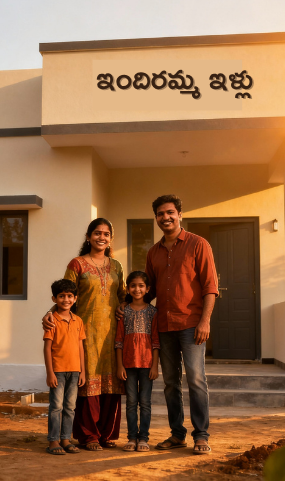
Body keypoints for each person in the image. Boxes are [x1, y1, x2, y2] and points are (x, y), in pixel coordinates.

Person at [117, 195, 218, 455]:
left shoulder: (199, 244)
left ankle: (201, 435)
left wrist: (205, 321)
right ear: (157, 218)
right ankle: (177, 434)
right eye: (161, 214)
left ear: (180, 214)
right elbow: (147, 292)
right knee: (171, 382)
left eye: (170, 212)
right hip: (163, 325)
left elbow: (210, 287)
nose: (166, 217)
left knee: (196, 380)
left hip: (192, 324)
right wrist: (126, 305)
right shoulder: (153, 252)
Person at [43, 218, 126, 451]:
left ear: (111, 238)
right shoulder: (77, 264)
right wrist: (49, 315)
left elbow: (123, 295)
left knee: (111, 385)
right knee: (88, 383)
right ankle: (88, 435)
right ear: (89, 237)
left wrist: (126, 308)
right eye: (97, 233)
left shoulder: (117, 266)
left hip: (112, 333)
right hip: (84, 333)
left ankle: (106, 434)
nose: (102, 237)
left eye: (106, 234)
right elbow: (64, 294)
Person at [115, 271, 160, 453]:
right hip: (128, 365)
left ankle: (144, 438)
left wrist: (155, 365)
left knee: (145, 403)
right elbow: (118, 340)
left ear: (148, 289)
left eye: (141, 286)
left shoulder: (153, 312)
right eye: (133, 285)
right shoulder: (123, 311)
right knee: (131, 402)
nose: (137, 289)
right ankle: (132, 438)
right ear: (128, 288)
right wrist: (120, 365)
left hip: (147, 365)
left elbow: (156, 341)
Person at [43, 279, 86, 455]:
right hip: (58, 372)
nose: (66, 300)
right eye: (61, 296)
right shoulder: (52, 321)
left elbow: (80, 347)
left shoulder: (78, 321)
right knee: (56, 407)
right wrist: (50, 373)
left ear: (75, 298)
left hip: (75, 371)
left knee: (70, 407)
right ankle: (53, 441)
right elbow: (47, 347)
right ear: (54, 298)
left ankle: (66, 439)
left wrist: (82, 371)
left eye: (69, 296)